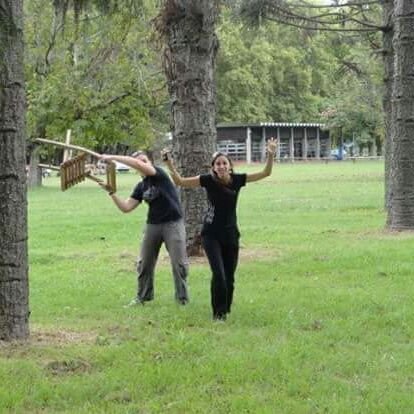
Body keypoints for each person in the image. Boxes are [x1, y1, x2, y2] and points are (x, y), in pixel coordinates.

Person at [162, 138, 277, 320]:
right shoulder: (208, 180)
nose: (221, 166)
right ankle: (218, 314)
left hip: (231, 234)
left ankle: (226, 308)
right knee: (219, 275)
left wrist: (270, 154)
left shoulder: (238, 180)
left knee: (230, 277)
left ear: (230, 166)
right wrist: (169, 163)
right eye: (218, 164)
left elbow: (266, 173)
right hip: (211, 235)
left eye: (224, 163)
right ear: (213, 167)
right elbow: (180, 181)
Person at [98, 150, 189, 306]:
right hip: (152, 225)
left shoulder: (158, 174)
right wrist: (111, 192)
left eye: (144, 160)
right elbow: (126, 207)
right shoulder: (141, 186)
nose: (142, 163)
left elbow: (138, 164)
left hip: (173, 223)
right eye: (139, 162)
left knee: (178, 263)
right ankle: (143, 297)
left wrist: (112, 157)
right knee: (144, 262)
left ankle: (182, 299)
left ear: (150, 162)